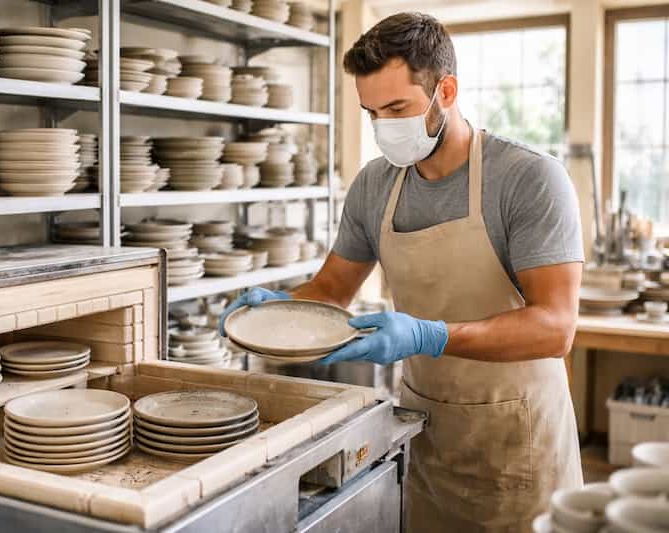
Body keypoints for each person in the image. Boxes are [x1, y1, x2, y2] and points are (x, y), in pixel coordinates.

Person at [219, 11, 584, 532]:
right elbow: (330, 289)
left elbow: (556, 327)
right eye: (372, 113)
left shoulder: (528, 179)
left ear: (447, 91)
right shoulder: (375, 186)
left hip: (518, 444)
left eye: (397, 108)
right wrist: (274, 312)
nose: (385, 128)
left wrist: (428, 335)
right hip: (428, 429)